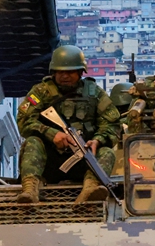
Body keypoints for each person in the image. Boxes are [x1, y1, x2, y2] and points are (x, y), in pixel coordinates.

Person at [16, 45, 121, 204]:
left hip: (83, 160)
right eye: (60, 72)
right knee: (32, 143)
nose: (65, 76)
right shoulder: (41, 92)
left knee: (107, 152)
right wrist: (52, 134)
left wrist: (97, 140)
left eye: (70, 72)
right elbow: (24, 121)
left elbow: (112, 124)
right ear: (53, 72)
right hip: (49, 161)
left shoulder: (94, 93)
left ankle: (90, 190)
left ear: (80, 72)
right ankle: (30, 190)